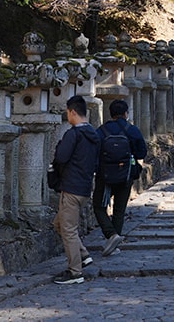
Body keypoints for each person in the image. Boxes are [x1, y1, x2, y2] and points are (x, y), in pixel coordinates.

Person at [52, 95, 100, 284]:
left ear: (72, 112)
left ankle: (75, 272)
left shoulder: (73, 134)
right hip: (85, 186)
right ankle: (84, 255)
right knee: (59, 224)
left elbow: (62, 157)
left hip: (71, 187)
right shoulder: (94, 135)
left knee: (68, 229)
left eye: (67, 112)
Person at [93, 99, 148, 257]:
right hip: (126, 175)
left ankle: (111, 235)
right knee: (119, 209)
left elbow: (94, 152)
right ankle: (114, 239)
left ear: (110, 114)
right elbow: (141, 152)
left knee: (99, 206)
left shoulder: (101, 131)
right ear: (126, 113)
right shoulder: (132, 130)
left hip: (105, 175)